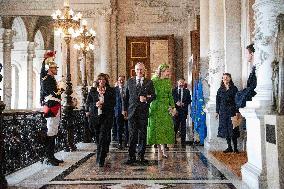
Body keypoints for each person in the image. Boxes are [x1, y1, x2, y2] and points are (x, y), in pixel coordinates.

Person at [123, 62, 155, 165]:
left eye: (141, 69)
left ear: (144, 70)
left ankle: (141, 156)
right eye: (137, 69)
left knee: (142, 134)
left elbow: (154, 96)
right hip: (132, 112)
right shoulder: (129, 81)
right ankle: (131, 156)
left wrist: (146, 99)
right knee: (132, 135)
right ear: (135, 70)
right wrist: (124, 109)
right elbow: (125, 97)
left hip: (143, 112)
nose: (139, 71)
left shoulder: (149, 82)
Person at [86, 73, 115, 167]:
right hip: (95, 117)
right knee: (98, 138)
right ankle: (102, 151)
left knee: (102, 136)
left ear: (106, 81)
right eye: (100, 79)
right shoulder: (93, 90)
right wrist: (95, 104)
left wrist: (104, 105)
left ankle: (100, 158)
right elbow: (88, 103)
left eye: (103, 79)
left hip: (106, 117)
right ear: (97, 81)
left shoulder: (111, 90)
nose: (102, 81)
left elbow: (113, 103)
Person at [40, 51, 64, 166]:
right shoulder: (46, 79)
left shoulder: (52, 78)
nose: (56, 69)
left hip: (55, 105)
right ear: (50, 69)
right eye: (55, 68)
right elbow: (52, 93)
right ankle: (49, 156)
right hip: (50, 106)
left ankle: (52, 155)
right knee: (50, 131)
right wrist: (61, 89)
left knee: (54, 131)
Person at [147, 64, 175, 160]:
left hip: (166, 108)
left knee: (165, 129)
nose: (169, 73)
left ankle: (164, 149)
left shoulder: (168, 82)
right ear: (162, 71)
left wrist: (173, 107)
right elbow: (149, 94)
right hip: (156, 107)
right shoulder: (153, 81)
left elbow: (170, 95)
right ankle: (159, 150)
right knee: (157, 129)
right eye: (168, 71)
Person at [216, 73, 240, 153]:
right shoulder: (220, 89)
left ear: (230, 78)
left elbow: (237, 101)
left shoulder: (234, 88)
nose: (225, 79)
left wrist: (237, 111)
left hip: (232, 111)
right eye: (223, 78)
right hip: (223, 112)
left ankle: (235, 148)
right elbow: (218, 102)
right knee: (226, 129)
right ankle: (229, 147)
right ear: (222, 80)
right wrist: (217, 111)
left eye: (227, 77)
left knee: (233, 129)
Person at [235, 43, 257, 108]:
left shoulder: (257, 68)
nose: (245, 56)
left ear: (252, 54)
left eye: (246, 53)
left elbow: (253, 85)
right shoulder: (254, 68)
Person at [172, 78, 192, 146]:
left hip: (183, 111)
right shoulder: (173, 90)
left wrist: (184, 103)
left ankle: (183, 142)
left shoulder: (187, 91)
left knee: (183, 127)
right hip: (176, 111)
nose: (181, 83)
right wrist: (176, 103)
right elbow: (171, 99)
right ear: (178, 82)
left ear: (184, 83)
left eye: (182, 82)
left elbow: (189, 100)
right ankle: (173, 140)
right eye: (180, 82)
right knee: (175, 125)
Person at [114, 75, 129, 149]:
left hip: (127, 112)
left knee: (127, 128)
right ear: (117, 81)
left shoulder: (128, 89)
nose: (121, 81)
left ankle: (126, 142)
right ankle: (119, 143)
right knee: (119, 128)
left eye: (122, 80)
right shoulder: (115, 90)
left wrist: (127, 110)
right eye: (120, 80)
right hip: (118, 112)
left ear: (124, 80)